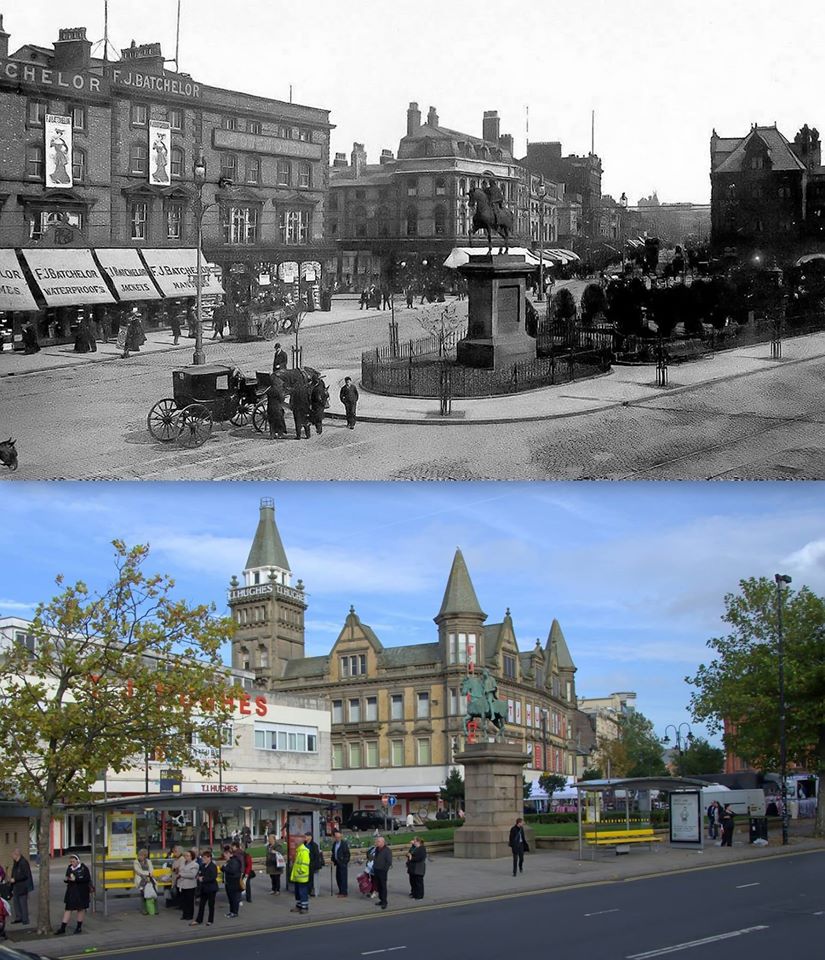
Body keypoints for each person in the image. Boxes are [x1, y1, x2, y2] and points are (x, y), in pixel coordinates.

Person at [55, 854, 91, 935]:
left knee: (80, 909)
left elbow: (87, 879)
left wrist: (76, 879)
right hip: (71, 891)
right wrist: (67, 880)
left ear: (78, 860)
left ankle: (79, 927)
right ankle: (63, 928)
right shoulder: (69, 868)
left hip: (81, 892)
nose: (72, 863)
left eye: (73, 861)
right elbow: (67, 876)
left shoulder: (84, 868)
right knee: (68, 909)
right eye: (71, 861)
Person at [192, 849, 218, 926]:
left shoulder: (213, 866)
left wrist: (203, 879)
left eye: (204, 858)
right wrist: (198, 876)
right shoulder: (202, 866)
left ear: (209, 858)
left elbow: (213, 877)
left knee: (211, 905)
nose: (203, 859)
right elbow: (200, 873)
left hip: (211, 889)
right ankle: (199, 920)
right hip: (204, 889)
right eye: (202, 858)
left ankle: (210, 920)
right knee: (201, 905)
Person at [9, 849, 33, 926]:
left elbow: (25, 875)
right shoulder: (16, 863)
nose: (12, 857)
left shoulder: (23, 863)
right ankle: (18, 917)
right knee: (16, 902)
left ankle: (25, 919)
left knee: (23, 903)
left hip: (22, 886)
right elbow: (14, 872)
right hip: (16, 886)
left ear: (17, 855)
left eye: (13, 855)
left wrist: (15, 879)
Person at [289, 835, 311, 914]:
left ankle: (304, 907)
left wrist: (299, 871)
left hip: (302, 876)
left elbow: (305, 864)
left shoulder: (304, 851)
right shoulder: (299, 851)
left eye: (296, 842)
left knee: (303, 892)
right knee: (298, 892)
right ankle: (299, 906)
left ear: (300, 843)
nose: (294, 843)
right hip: (298, 876)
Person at [177, 850, 199, 922]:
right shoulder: (183, 863)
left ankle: (190, 915)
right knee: (184, 901)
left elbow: (192, 875)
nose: (186, 857)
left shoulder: (195, 864)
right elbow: (180, 870)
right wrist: (180, 873)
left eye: (188, 855)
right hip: (182, 885)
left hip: (190, 885)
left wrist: (182, 874)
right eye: (185, 855)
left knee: (189, 901)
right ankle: (184, 914)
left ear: (192, 856)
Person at [133, 849, 156, 914]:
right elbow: (138, 871)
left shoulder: (148, 861)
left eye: (141, 855)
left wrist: (150, 873)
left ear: (145, 856)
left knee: (152, 891)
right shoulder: (136, 862)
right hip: (140, 879)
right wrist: (147, 873)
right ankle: (144, 909)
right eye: (139, 855)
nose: (139, 857)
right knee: (143, 893)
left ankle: (152, 909)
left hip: (149, 878)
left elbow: (151, 869)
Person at [221, 845, 242, 918]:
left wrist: (224, 868)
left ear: (230, 854)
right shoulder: (229, 861)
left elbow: (232, 871)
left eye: (225, 855)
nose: (225, 857)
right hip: (228, 883)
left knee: (234, 898)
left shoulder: (234, 861)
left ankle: (235, 912)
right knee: (230, 899)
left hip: (233, 883)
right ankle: (231, 911)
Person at [371, 836, 392, 910]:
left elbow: (389, 862)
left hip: (382, 871)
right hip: (376, 869)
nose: (377, 842)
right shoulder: (377, 849)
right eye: (377, 841)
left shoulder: (387, 850)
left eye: (378, 841)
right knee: (378, 886)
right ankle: (381, 900)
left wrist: (384, 869)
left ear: (383, 842)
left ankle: (384, 902)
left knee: (383, 886)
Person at [331, 829, 350, 898]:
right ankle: (340, 891)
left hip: (342, 863)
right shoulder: (335, 843)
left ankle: (344, 892)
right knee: (338, 877)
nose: (337, 838)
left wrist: (345, 862)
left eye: (339, 837)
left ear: (341, 837)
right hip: (337, 863)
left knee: (343, 878)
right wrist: (332, 859)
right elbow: (333, 852)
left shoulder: (344, 844)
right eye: (336, 837)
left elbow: (347, 854)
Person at [303, 832, 323, 897]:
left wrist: (313, 865)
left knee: (310, 879)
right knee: (304, 879)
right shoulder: (304, 844)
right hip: (304, 864)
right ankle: (305, 891)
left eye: (306, 836)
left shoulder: (314, 845)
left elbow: (316, 856)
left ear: (310, 837)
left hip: (310, 865)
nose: (305, 837)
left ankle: (308, 892)